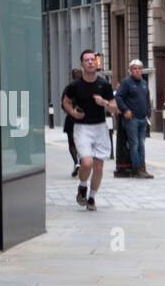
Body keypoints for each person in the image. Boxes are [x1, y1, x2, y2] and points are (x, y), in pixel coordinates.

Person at [63, 49, 117, 211]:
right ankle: (82, 185)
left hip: (100, 128)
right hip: (82, 128)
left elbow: (115, 108)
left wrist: (105, 103)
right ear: (82, 64)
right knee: (87, 162)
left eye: (93, 59)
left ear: (96, 62)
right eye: (87, 60)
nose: (91, 62)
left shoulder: (104, 85)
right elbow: (65, 102)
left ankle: (92, 198)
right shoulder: (75, 86)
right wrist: (73, 113)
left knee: (99, 167)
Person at [115, 59, 154, 179]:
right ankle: (136, 169)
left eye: (139, 69)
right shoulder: (126, 83)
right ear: (130, 71)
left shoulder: (143, 83)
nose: (137, 71)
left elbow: (147, 98)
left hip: (143, 118)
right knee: (134, 144)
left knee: (141, 144)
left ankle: (142, 168)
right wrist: (125, 110)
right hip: (131, 119)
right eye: (135, 69)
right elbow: (118, 97)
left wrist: (148, 111)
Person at [62, 68, 81, 177]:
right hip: (83, 119)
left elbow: (63, 104)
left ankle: (76, 162)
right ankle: (81, 162)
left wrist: (70, 111)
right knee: (82, 142)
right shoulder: (85, 87)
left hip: (71, 118)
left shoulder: (68, 89)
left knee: (72, 143)